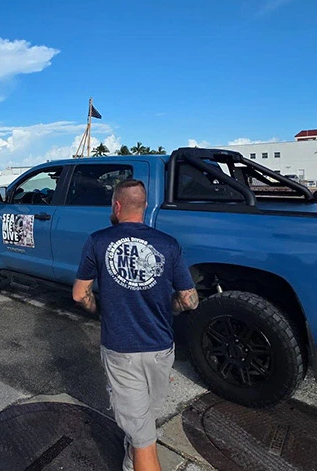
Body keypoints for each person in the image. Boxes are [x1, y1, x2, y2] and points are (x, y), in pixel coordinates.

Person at [72, 179, 199, 471]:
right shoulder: (168, 244)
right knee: (144, 422)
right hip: (161, 351)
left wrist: (100, 309)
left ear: (117, 206)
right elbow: (189, 300)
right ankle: (131, 459)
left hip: (121, 351)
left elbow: (80, 294)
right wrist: (172, 308)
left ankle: (137, 458)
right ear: (144, 206)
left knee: (144, 441)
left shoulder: (98, 240)